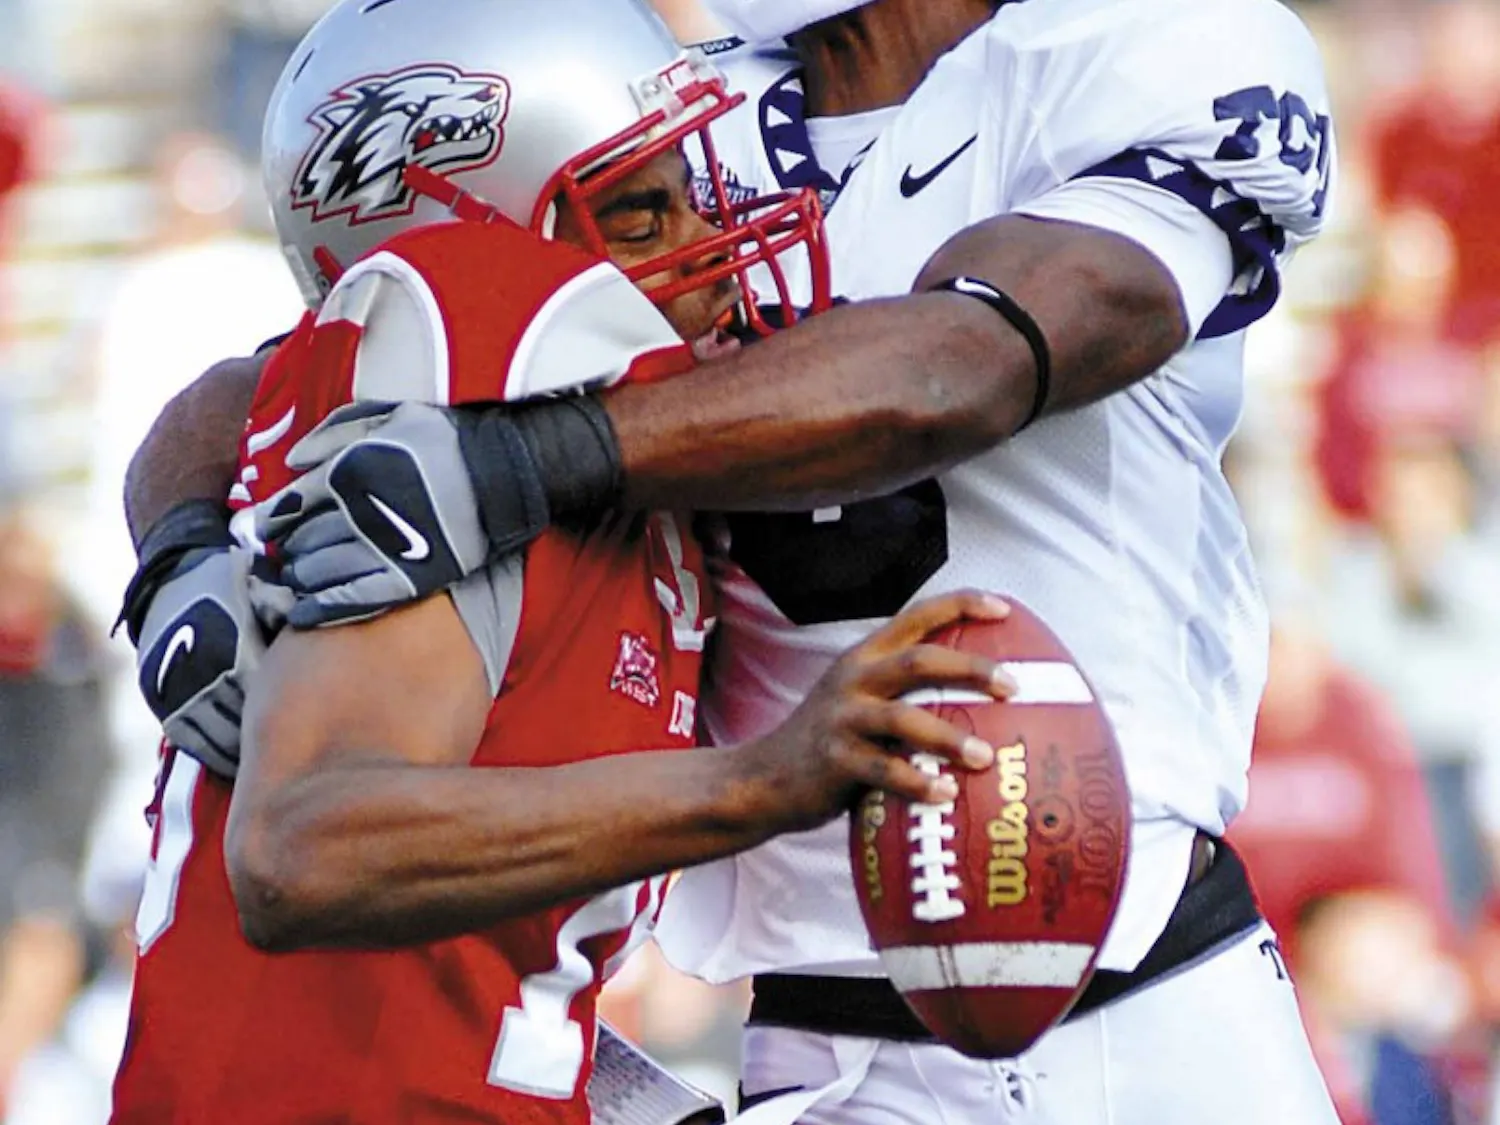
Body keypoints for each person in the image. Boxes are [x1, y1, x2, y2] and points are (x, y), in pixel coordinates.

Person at [123, 0, 1342, 1120]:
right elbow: (297, 359)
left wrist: (529, 461)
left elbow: (955, 371)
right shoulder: (674, 106)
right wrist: (182, 554)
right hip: (803, 1035)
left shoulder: (1146, 46)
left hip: (1139, 998)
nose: (706, 239)